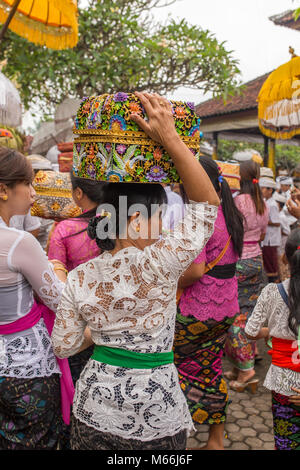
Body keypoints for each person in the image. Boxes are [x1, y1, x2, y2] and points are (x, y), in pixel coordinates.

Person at [51, 91, 220, 451]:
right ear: (136, 218)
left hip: (94, 408)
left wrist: (103, 333)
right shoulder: (162, 261)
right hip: (156, 411)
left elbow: (63, 346)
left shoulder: (80, 276)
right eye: (159, 217)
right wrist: (171, 139)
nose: (162, 227)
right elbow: (207, 205)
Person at [174, 157, 244, 450]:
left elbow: (194, 271)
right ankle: (215, 440)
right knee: (211, 369)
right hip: (226, 307)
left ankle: (179, 436)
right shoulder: (231, 213)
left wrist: (170, 282)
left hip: (196, 310)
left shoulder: (200, 217)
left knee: (175, 370)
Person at [0, 148, 65, 450]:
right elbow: (60, 301)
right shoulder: (18, 243)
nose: (33, 191)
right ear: (3, 190)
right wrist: (58, 269)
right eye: (27, 182)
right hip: (23, 367)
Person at [245, 228, 300, 450]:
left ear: (284, 258)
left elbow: (250, 332)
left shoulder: (272, 292)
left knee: (287, 441)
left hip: (284, 381)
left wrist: (273, 330)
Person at [225, 159, 269, 392]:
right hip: (257, 262)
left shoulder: (238, 201)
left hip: (239, 261)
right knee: (249, 317)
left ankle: (247, 371)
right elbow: (262, 236)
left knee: (234, 320)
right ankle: (240, 365)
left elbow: (232, 232)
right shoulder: (263, 202)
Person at [259, 177, 281, 283]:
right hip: (266, 237)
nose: (261, 191)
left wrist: (262, 221)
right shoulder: (264, 201)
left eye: (263, 189)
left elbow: (277, 222)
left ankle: (274, 282)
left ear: (270, 190)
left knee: (271, 262)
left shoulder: (273, 204)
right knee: (267, 261)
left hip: (271, 239)